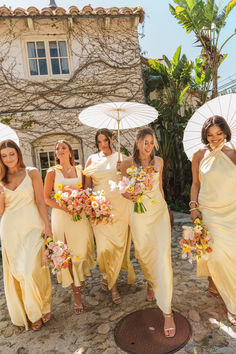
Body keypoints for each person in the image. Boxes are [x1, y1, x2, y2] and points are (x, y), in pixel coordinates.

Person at [119, 127, 176, 338]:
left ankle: (167, 310)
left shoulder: (158, 162)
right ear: (137, 142)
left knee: (162, 257)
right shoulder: (127, 163)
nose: (148, 146)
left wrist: (167, 210)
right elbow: (122, 188)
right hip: (139, 213)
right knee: (143, 254)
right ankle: (151, 282)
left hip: (158, 211)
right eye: (145, 142)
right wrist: (129, 196)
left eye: (151, 142)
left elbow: (159, 187)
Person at [0, 140, 52, 331]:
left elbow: (40, 201)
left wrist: (48, 226)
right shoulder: (0, 178)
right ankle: (33, 313)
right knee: (20, 273)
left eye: (11, 154)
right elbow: (0, 211)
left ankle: (43, 305)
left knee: (32, 270)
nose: (8, 159)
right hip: (10, 230)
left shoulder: (32, 172)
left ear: (18, 153)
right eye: (4, 156)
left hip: (33, 227)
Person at [190, 115, 236, 325]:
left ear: (225, 132)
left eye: (219, 134)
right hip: (209, 211)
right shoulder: (199, 155)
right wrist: (193, 207)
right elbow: (196, 184)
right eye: (210, 135)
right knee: (217, 256)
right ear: (205, 136)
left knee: (232, 257)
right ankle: (231, 304)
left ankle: (219, 285)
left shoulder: (234, 153)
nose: (215, 138)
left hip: (232, 211)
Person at [83, 128, 135, 304]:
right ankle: (112, 284)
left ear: (112, 139)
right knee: (104, 249)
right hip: (99, 209)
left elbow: (127, 182)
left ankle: (108, 276)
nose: (103, 144)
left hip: (119, 207)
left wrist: (124, 169)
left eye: (106, 140)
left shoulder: (122, 157)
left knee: (117, 247)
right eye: (99, 142)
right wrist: (92, 205)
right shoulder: (92, 159)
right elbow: (87, 187)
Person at [44, 140, 95, 314]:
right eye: (57, 148)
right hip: (61, 216)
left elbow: (85, 192)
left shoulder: (80, 170)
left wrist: (81, 203)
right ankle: (76, 294)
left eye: (63, 148)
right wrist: (64, 206)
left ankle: (79, 277)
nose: (59, 150)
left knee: (82, 250)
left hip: (79, 216)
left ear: (70, 152)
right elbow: (46, 198)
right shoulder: (52, 172)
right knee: (68, 256)